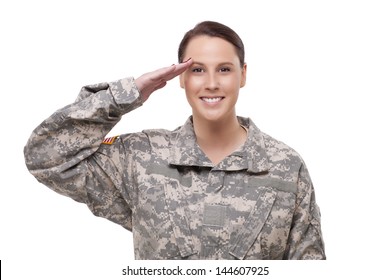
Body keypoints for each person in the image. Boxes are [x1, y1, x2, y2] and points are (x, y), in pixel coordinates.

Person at [24, 21, 326, 260]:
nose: (210, 83)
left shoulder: (285, 167)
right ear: (180, 77)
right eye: (197, 70)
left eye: (224, 69)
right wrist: (128, 94)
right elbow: (45, 156)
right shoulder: (141, 157)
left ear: (243, 75)